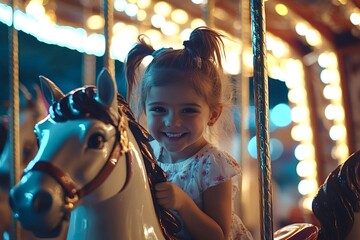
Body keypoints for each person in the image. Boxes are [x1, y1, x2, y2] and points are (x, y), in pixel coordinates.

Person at [124, 26, 253, 240]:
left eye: (188, 110)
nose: (172, 121)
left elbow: (218, 236)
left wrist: (184, 204)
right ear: (146, 109)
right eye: (159, 109)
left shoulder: (212, 164)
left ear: (212, 114)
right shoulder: (147, 156)